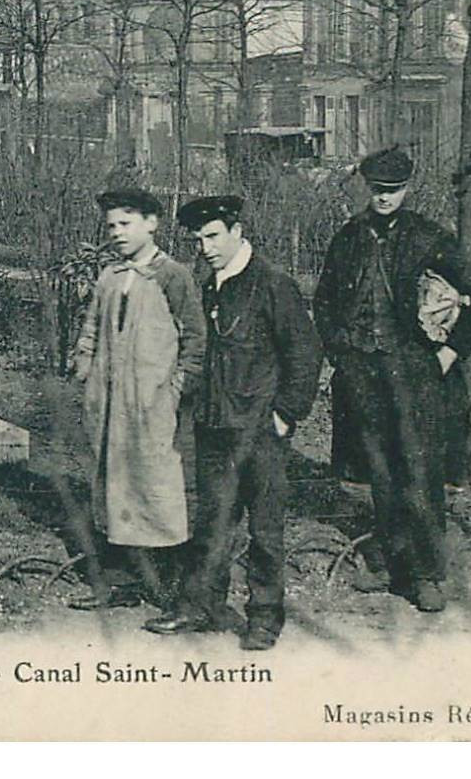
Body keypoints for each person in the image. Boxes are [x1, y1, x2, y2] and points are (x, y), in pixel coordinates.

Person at [312, 147, 471, 613]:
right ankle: (392, 564)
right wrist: (340, 353)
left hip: (414, 374)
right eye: (377, 189)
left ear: (407, 189)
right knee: (381, 472)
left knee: (419, 472)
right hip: (363, 373)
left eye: (393, 190)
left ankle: (428, 575)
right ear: (367, 188)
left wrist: (449, 353)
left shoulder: (430, 238)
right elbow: (324, 301)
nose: (384, 197)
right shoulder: (348, 238)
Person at [145, 196, 322, 650]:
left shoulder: (272, 284)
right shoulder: (210, 286)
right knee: (212, 523)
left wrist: (286, 415)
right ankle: (200, 605)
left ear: (237, 231)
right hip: (215, 425)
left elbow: (305, 354)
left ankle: (264, 618)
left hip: (260, 429)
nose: (205, 247)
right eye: (198, 239)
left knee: (265, 528)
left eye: (213, 236)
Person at [69, 188, 206, 612]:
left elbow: (196, 339)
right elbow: (91, 329)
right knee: (115, 487)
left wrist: (176, 388)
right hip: (110, 404)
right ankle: (123, 580)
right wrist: (84, 367)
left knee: (157, 486)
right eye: (111, 226)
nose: (117, 234)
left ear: (152, 223)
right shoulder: (110, 276)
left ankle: (168, 583)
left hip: (153, 405)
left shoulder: (173, 275)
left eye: (125, 224)